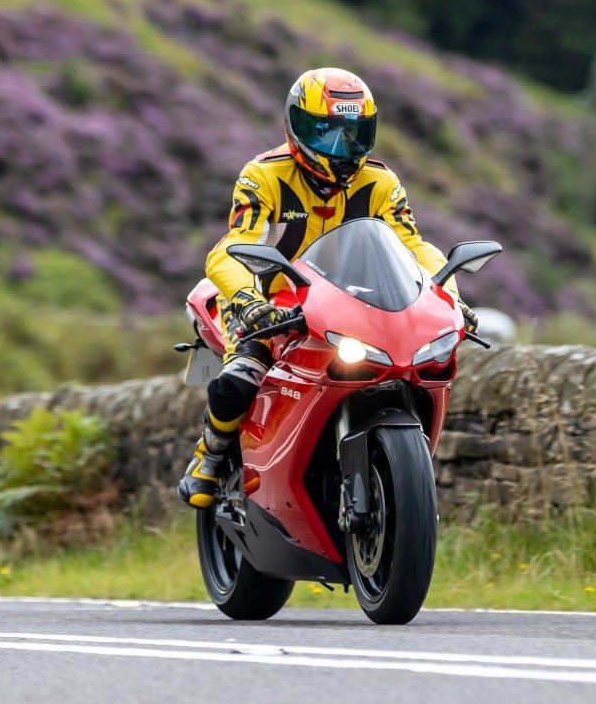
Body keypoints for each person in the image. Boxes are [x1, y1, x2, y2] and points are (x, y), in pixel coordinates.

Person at [178, 67, 478, 508]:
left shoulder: (380, 183)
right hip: (271, 302)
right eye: (327, 133)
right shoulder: (263, 176)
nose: (342, 149)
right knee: (241, 376)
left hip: (351, 306)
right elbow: (233, 245)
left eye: (354, 134)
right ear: (296, 127)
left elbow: (412, 246)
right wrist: (246, 298)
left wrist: (449, 294)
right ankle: (210, 454)